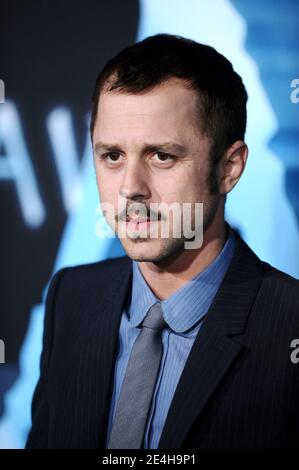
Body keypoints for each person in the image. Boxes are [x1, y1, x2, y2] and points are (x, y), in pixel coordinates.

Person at [26, 34, 299, 449]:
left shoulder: (289, 325)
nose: (131, 188)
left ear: (229, 168)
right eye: (112, 156)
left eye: (162, 156)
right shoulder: (71, 298)